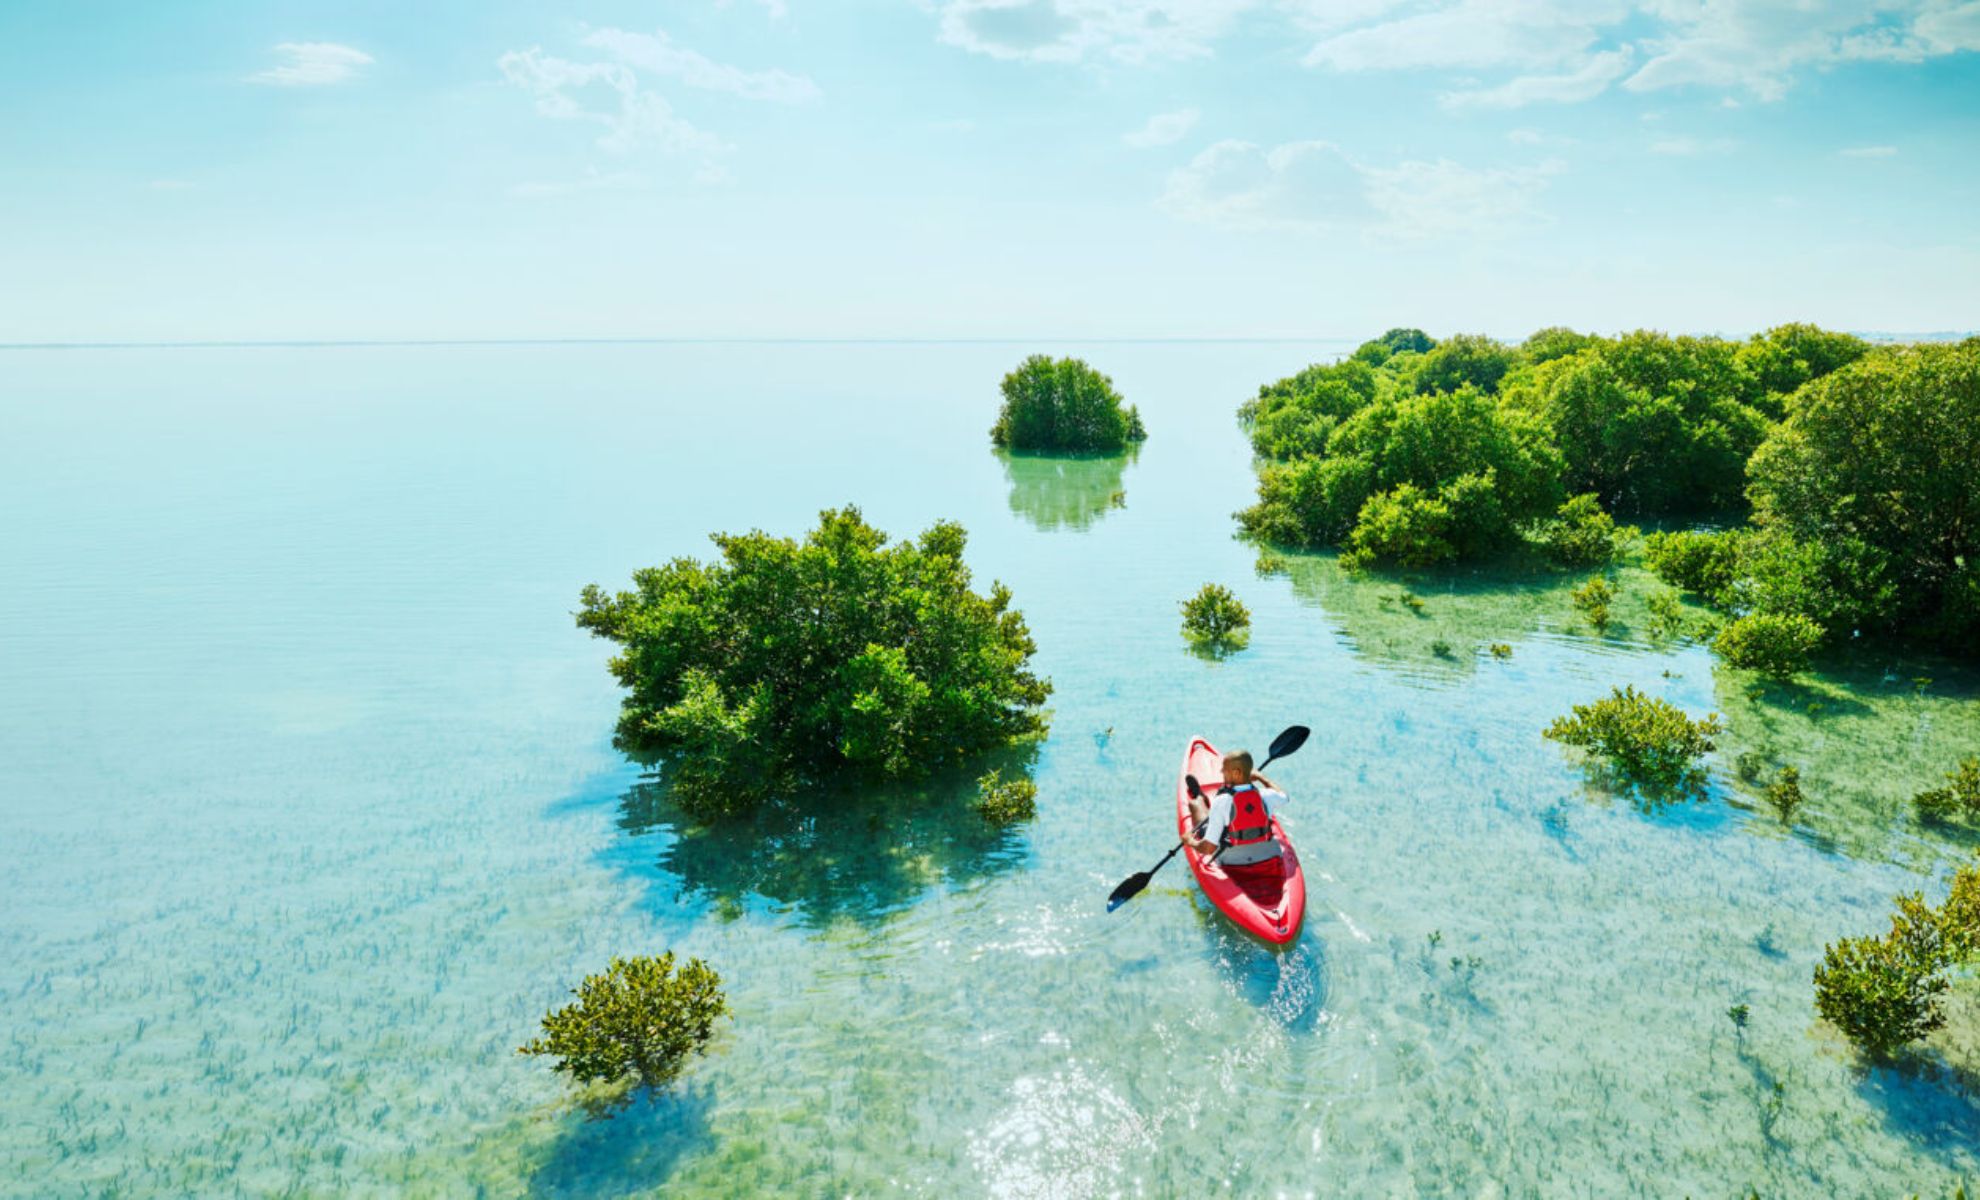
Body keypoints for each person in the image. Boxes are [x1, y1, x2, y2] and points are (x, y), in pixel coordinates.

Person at [1183, 750, 1286, 867]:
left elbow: (1208, 848)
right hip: (1269, 853)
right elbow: (1284, 796)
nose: (1221, 771)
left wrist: (1190, 841)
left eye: (1224, 769)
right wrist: (1262, 778)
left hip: (1231, 859)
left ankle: (1199, 798)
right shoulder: (1267, 795)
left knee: (1196, 808)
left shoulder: (1222, 801)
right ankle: (1201, 800)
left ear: (1237, 773)